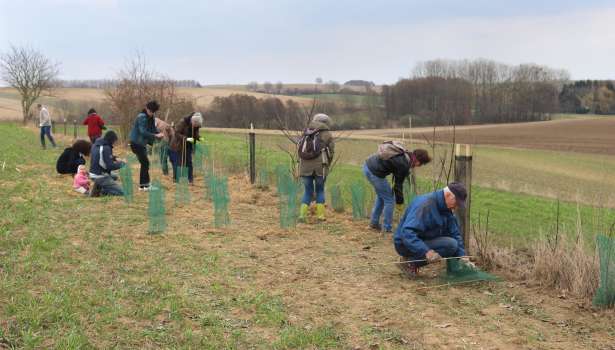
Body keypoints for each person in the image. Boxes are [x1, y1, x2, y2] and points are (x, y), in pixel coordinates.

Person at [394, 182, 469, 278]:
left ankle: (412, 261)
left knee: (453, 243)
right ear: (448, 195)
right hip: (404, 244)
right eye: (456, 202)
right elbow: (407, 233)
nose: (456, 207)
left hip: (424, 239)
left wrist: (462, 256)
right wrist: (426, 252)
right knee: (451, 244)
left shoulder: (447, 209)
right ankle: (409, 262)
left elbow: (454, 233)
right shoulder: (425, 205)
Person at [363, 145, 431, 233]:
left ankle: (374, 223)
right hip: (374, 172)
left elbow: (398, 170)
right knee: (389, 200)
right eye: (421, 164)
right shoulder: (404, 164)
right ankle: (387, 228)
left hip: (367, 165)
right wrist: (400, 203)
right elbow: (398, 186)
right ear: (418, 161)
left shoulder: (405, 154)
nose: (418, 166)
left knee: (382, 196)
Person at [298, 113, 335, 222]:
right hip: (320, 167)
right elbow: (331, 152)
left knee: (307, 191)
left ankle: (302, 216)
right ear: (326, 122)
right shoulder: (327, 134)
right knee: (320, 190)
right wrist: (328, 163)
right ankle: (320, 216)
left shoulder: (306, 132)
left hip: (305, 167)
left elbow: (300, 148)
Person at [129, 100, 163, 190]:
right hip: (136, 143)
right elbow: (143, 132)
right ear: (147, 108)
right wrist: (155, 135)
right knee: (145, 163)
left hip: (141, 144)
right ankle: (145, 186)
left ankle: (143, 185)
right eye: (151, 111)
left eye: (153, 112)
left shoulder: (150, 117)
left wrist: (159, 133)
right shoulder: (142, 117)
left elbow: (152, 129)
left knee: (145, 163)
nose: (152, 113)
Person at [169, 112, 203, 183]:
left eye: (197, 126)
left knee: (189, 162)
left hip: (188, 146)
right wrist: (186, 138)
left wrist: (199, 138)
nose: (195, 127)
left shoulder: (196, 125)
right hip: (178, 145)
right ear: (192, 121)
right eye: (195, 125)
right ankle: (176, 180)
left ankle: (190, 180)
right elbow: (176, 133)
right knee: (179, 163)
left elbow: (195, 133)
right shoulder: (183, 122)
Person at [89, 130, 125, 197]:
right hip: (100, 175)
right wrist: (122, 164)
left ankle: (99, 185)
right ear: (111, 140)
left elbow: (102, 156)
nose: (114, 143)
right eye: (114, 141)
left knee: (114, 176)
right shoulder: (106, 148)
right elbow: (109, 166)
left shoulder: (97, 144)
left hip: (93, 173)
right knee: (122, 193)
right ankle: (101, 191)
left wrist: (115, 158)